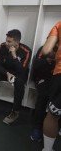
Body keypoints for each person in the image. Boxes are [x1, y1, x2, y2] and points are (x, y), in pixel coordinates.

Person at [0, 29, 31, 125]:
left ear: (17, 42)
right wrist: (7, 73)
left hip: (18, 73)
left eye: (9, 41)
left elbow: (22, 70)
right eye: (6, 40)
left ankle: (15, 111)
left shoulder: (26, 51)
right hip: (6, 71)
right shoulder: (3, 46)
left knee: (20, 83)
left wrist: (14, 55)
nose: (6, 43)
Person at [41, 21, 61, 151]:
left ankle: (47, 149)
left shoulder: (59, 24)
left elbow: (46, 50)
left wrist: (55, 57)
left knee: (52, 115)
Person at [30, 45, 56, 142]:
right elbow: (36, 65)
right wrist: (48, 60)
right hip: (43, 78)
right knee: (43, 95)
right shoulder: (45, 48)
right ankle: (37, 127)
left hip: (57, 79)